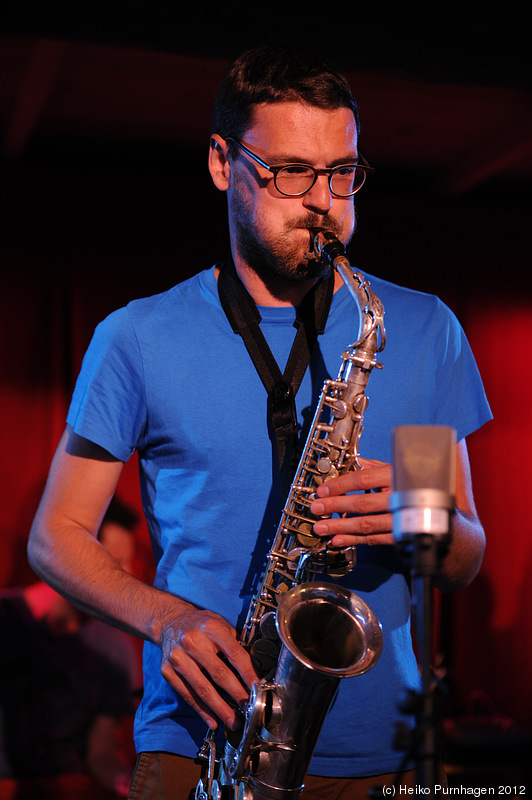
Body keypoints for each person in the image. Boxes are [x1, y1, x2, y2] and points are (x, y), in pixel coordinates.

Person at [27, 42, 492, 799]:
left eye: (342, 173)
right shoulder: (138, 337)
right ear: (221, 163)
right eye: (291, 172)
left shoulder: (419, 327)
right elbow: (55, 537)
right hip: (199, 741)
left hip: (384, 756)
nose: (323, 202)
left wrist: (423, 522)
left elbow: (465, 552)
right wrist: (167, 621)